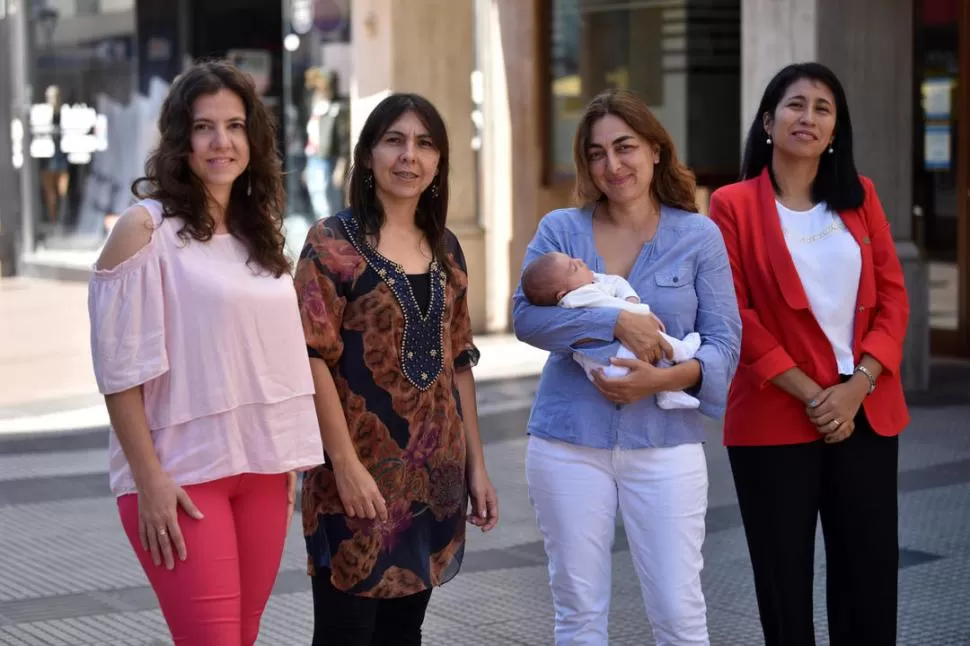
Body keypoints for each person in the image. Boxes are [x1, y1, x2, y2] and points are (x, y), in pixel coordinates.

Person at [87, 60, 325, 646]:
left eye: (236, 126)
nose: (221, 141)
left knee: (242, 638)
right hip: (183, 476)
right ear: (180, 139)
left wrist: (281, 454)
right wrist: (149, 481)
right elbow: (120, 374)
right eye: (204, 127)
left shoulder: (259, 230)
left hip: (263, 471)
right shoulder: (144, 230)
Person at [513, 88, 741, 645]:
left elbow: (725, 345)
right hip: (567, 443)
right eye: (596, 153)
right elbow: (524, 318)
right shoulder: (560, 231)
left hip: (666, 445)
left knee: (679, 615)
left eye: (625, 147)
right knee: (579, 617)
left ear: (656, 150)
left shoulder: (698, 235)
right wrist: (614, 324)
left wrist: (662, 379)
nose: (612, 165)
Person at [709, 62, 911, 646]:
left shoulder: (860, 196)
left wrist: (860, 384)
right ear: (769, 121)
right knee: (784, 586)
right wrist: (816, 395)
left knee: (868, 581)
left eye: (824, 108)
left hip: (866, 412)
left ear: (835, 129)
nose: (810, 117)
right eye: (796, 105)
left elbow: (893, 293)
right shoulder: (732, 205)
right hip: (775, 418)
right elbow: (734, 314)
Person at [294, 92, 499, 646]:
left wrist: (476, 466)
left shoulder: (447, 248)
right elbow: (309, 357)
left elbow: (459, 364)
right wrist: (344, 466)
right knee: (345, 634)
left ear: (438, 163)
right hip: (352, 481)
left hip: (433, 479)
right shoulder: (329, 243)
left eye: (425, 144)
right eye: (395, 141)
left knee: (404, 636)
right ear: (366, 156)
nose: (410, 156)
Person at [520, 250, 702, 409]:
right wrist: (640, 312)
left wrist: (631, 298)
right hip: (612, 362)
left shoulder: (589, 283)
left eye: (573, 259)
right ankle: (682, 351)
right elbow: (615, 307)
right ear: (562, 294)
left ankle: (666, 392)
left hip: (607, 365)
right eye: (573, 268)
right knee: (654, 337)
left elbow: (615, 282)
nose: (579, 260)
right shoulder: (578, 297)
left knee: (652, 354)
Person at [304, 67, 350, 220]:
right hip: (314, 158)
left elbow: (344, 140)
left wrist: (341, 167)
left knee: (329, 203)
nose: (317, 91)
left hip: (329, 159)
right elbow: (313, 136)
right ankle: (322, 234)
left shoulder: (337, 108)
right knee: (317, 199)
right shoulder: (316, 108)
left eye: (321, 87)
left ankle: (332, 237)